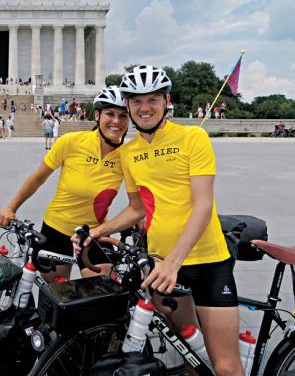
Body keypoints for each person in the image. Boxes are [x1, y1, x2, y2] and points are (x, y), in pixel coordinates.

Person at [73, 65, 242, 376]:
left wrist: (174, 262)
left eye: (152, 99)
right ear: (128, 106)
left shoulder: (193, 137)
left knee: (225, 365)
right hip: (161, 262)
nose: (144, 108)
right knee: (193, 357)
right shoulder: (129, 152)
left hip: (206, 261)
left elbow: (203, 207)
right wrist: (97, 231)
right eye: (136, 101)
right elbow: (137, 209)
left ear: (166, 101)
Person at [0, 86, 129, 282]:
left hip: (94, 232)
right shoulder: (71, 142)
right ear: (98, 115)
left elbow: (144, 192)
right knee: (56, 294)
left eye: (123, 116)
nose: (116, 121)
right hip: (57, 227)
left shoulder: (128, 155)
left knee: (101, 295)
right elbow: (38, 178)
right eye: (110, 114)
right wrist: (11, 207)